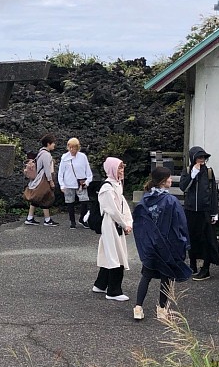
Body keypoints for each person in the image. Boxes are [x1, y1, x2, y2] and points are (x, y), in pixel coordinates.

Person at [131, 166, 194, 321]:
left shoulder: (146, 199)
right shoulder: (171, 201)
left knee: (146, 276)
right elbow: (180, 224)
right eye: (169, 178)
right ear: (163, 181)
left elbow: (139, 221)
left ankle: (138, 307)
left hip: (151, 246)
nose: (171, 180)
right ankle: (162, 308)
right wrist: (184, 243)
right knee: (167, 276)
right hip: (167, 246)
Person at [178, 146, 219, 280]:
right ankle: (192, 265)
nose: (201, 160)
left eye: (203, 157)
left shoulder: (209, 172)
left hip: (205, 211)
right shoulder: (187, 170)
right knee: (191, 238)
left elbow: (213, 192)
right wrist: (193, 174)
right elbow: (183, 187)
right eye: (199, 157)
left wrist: (214, 212)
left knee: (207, 240)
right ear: (193, 158)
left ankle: (206, 268)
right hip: (190, 210)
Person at [91, 157, 132, 301]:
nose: (122, 170)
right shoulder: (107, 188)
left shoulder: (116, 185)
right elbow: (113, 210)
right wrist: (124, 224)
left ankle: (101, 284)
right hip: (110, 224)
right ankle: (113, 291)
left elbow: (123, 205)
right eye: (119, 168)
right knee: (115, 254)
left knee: (111, 252)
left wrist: (128, 222)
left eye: (122, 167)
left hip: (115, 224)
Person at [58, 137, 93, 229]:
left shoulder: (83, 157)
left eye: (74, 147)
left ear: (78, 147)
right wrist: (62, 185)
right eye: (70, 147)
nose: (71, 149)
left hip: (81, 183)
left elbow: (88, 171)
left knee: (84, 201)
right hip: (68, 183)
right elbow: (61, 172)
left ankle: (82, 219)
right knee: (70, 203)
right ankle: (72, 221)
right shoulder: (64, 157)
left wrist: (88, 181)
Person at [25, 135, 58, 226]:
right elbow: (47, 169)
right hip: (43, 179)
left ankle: (30, 218)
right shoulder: (46, 155)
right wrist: (50, 181)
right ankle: (47, 220)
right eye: (53, 143)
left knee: (36, 199)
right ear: (48, 144)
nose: (54, 145)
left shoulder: (40, 152)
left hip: (38, 178)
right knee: (46, 198)